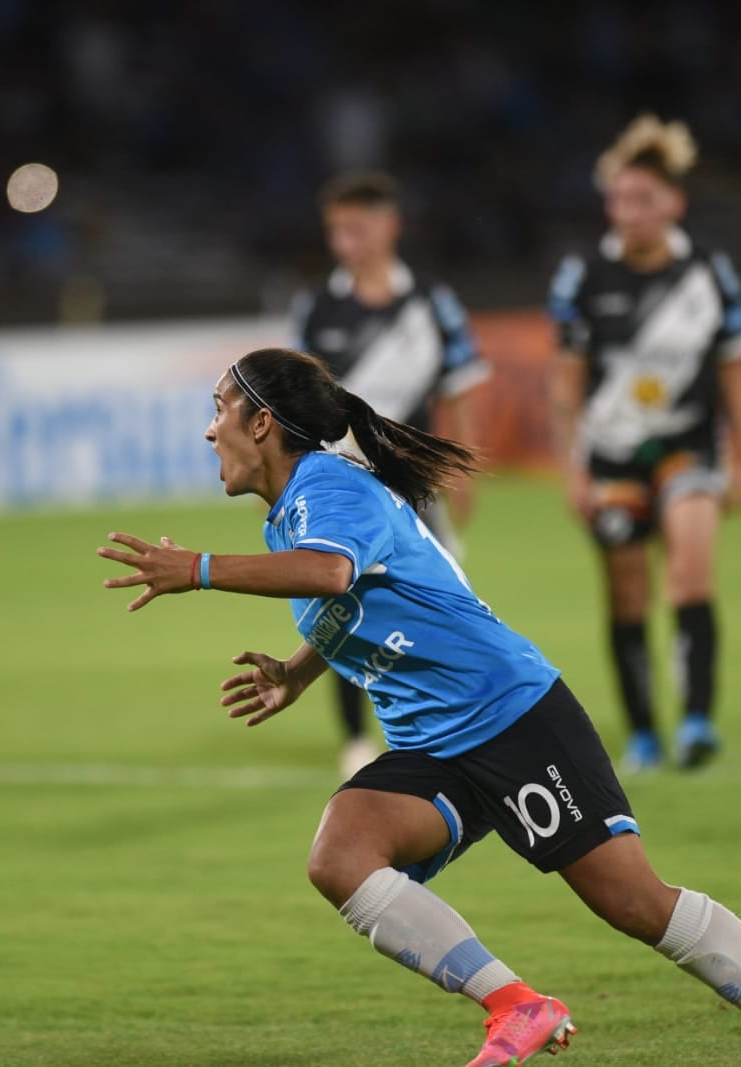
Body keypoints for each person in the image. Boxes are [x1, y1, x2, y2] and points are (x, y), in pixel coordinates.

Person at [97, 347, 741, 1067]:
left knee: (636, 902)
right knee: (340, 854)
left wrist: (196, 567)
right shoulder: (297, 508)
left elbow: (332, 575)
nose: (208, 428)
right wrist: (298, 673)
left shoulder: (327, 487)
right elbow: (372, 593)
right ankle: (516, 1004)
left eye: (219, 407)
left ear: (262, 422)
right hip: (435, 741)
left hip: (510, 716)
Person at [546, 115, 741, 773]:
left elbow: (736, 369)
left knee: (692, 570)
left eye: (642, 199)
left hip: (688, 447)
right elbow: (564, 386)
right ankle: (643, 731)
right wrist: (571, 470)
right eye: (617, 200)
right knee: (628, 590)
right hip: (611, 455)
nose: (627, 212)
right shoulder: (583, 276)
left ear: (673, 202)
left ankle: (697, 720)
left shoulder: (709, 274)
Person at [291, 170, 490, 779]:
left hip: (415, 478)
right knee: (340, 600)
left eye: (357, 227)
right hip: (339, 482)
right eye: (336, 230)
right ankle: (355, 736)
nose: (345, 241)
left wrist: (467, 471)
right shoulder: (317, 308)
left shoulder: (429, 301)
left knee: (436, 594)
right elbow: (293, 400)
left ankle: (433, 718)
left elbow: (460, 388)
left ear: (389, 227)